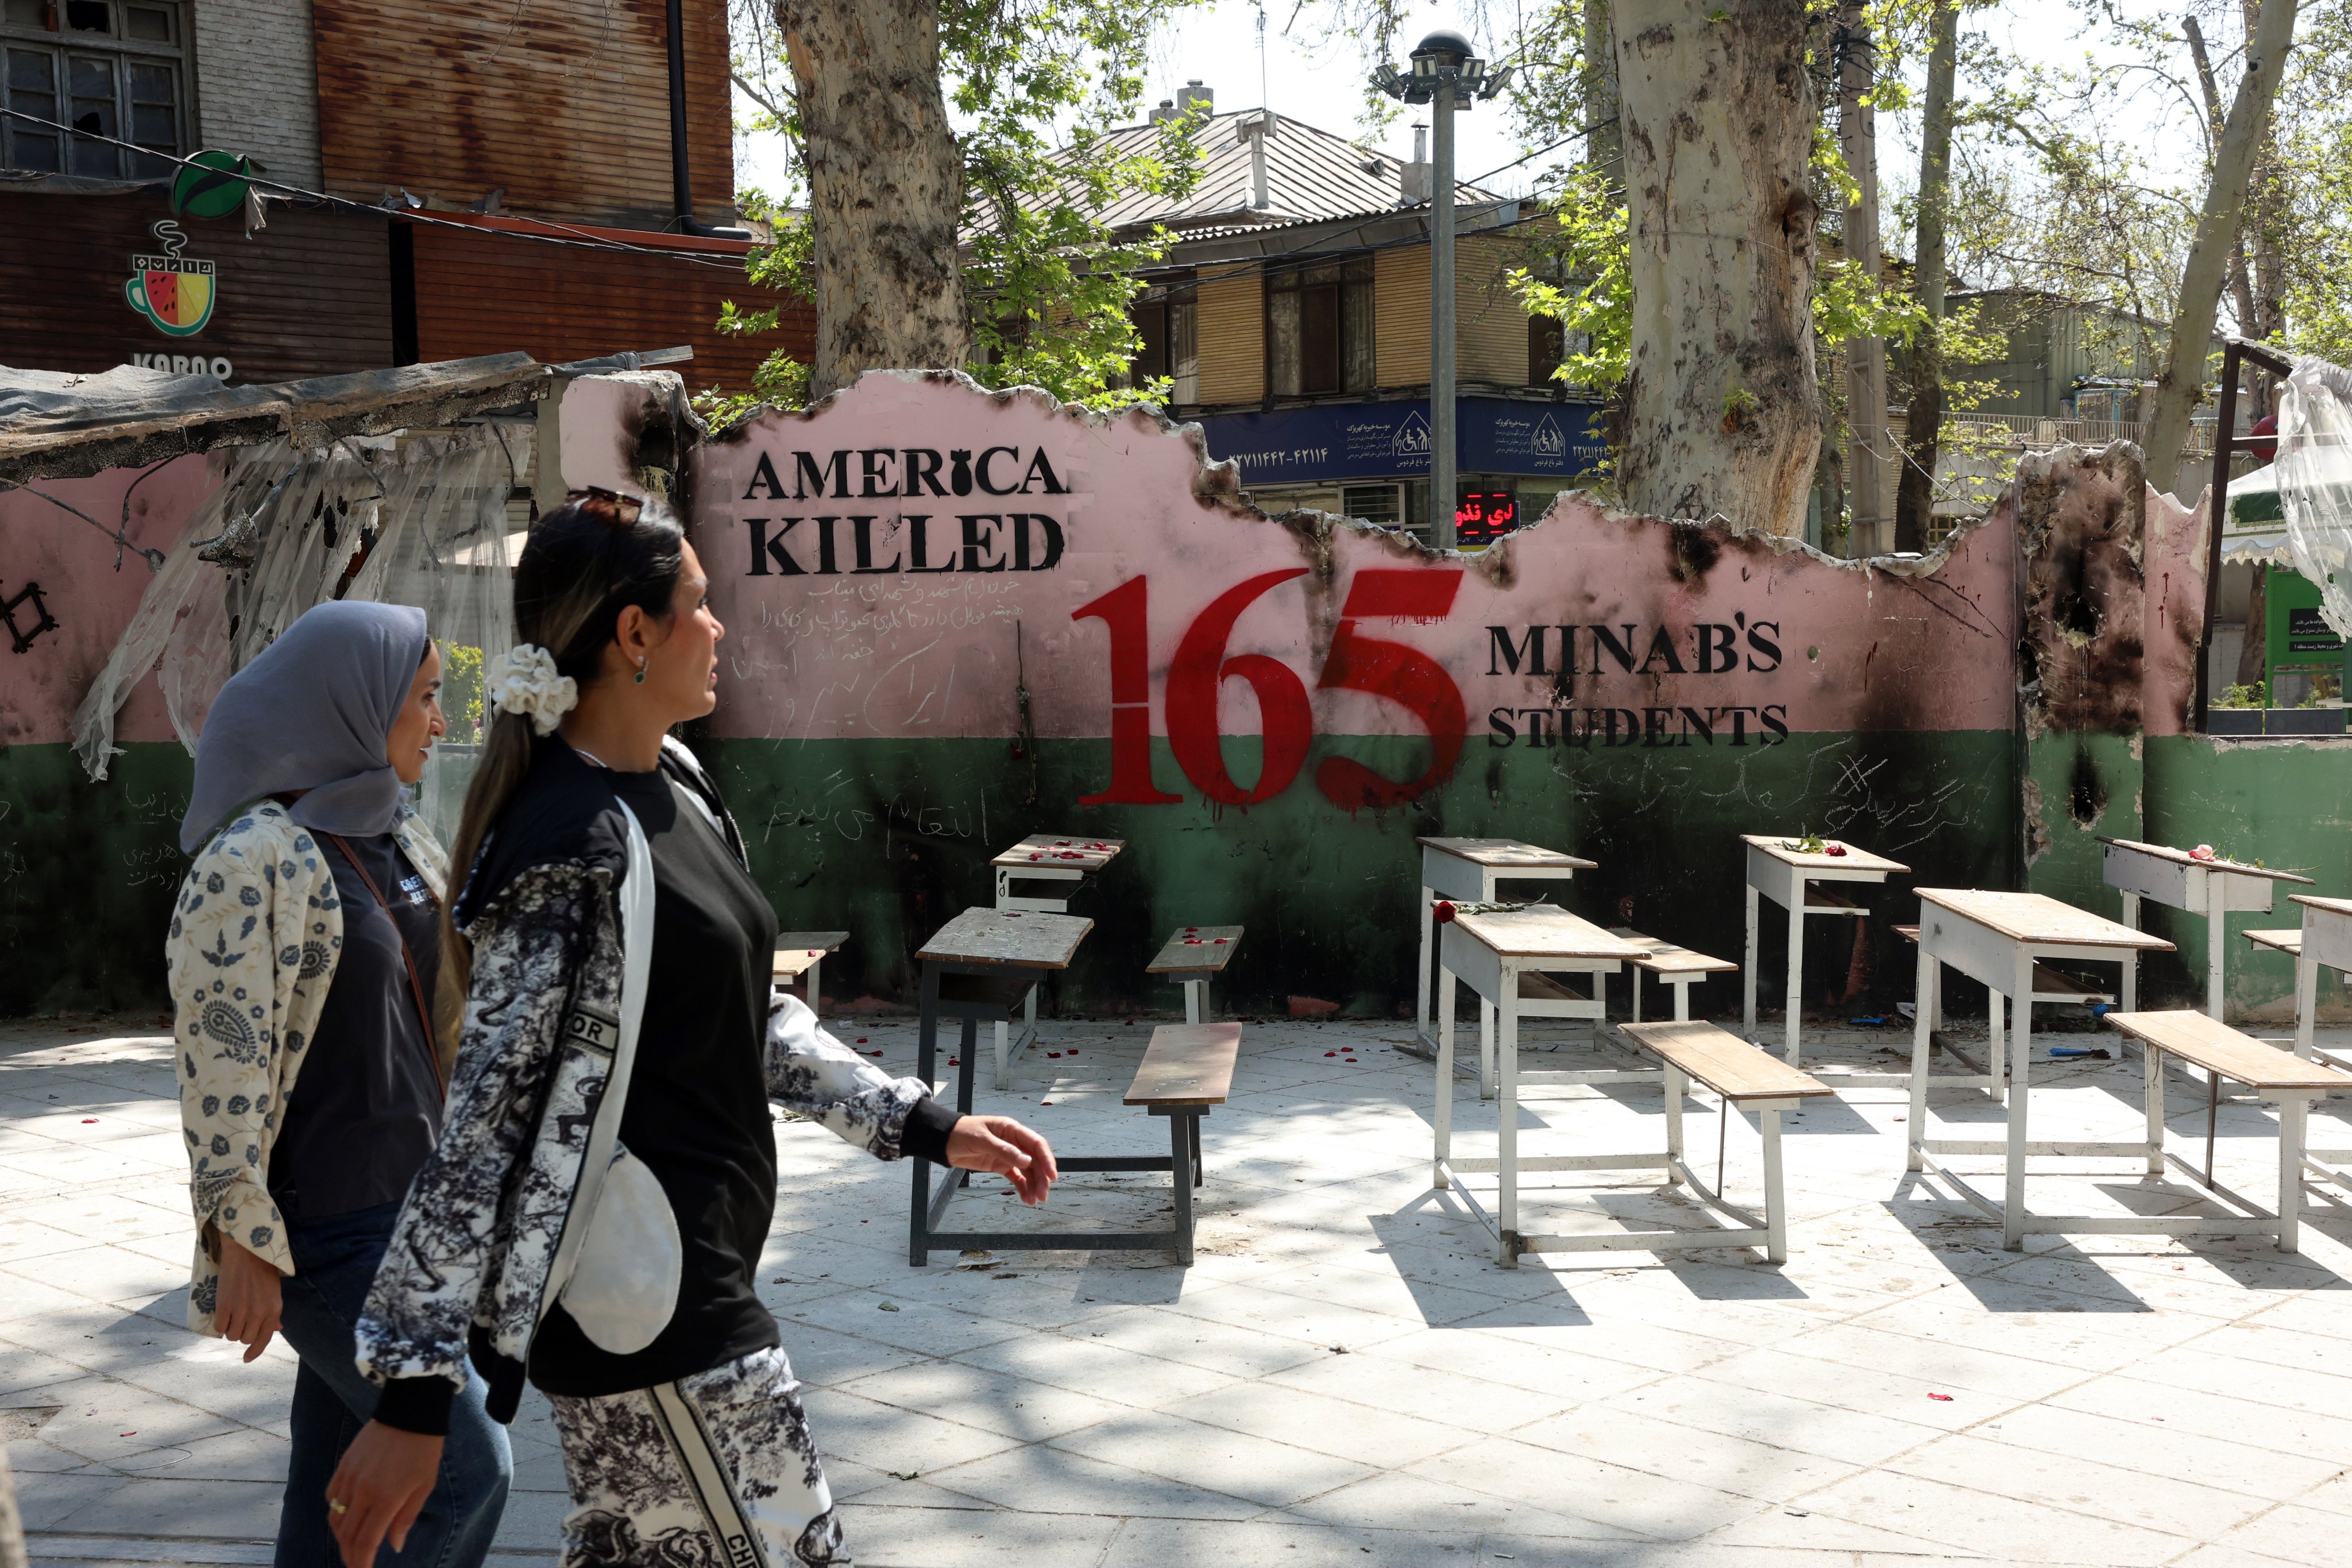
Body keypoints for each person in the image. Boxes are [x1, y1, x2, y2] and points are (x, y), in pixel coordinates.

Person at [325, 491, 1058, 1568]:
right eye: (700, 605)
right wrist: (415, 1391)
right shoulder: (569, 846)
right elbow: (484, 1122)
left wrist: (922, 1122)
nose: (719, 628)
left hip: (690, 1281)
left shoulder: (674, 781)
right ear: (635, 633)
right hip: (657, 1316)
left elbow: (745, 1015)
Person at [165, 600, 511, 1568]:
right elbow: (218, 1058)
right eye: (426, 697)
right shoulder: (250, 861)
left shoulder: (403, 840)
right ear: (354, 703)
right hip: (326, 1231)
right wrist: (239, 1231)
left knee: (335, 1501)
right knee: (466, 1466)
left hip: (413, 1221)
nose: (442, 721)